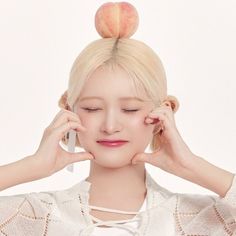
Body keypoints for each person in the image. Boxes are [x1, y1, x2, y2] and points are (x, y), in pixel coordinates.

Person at [0, 2, 235, 236]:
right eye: (92, 108)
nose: (110, 126)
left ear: (162, 116)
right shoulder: (32, 218)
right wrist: (31, 166)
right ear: (69, 112)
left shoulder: (201, 220)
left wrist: (192, 166)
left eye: (130, 109)